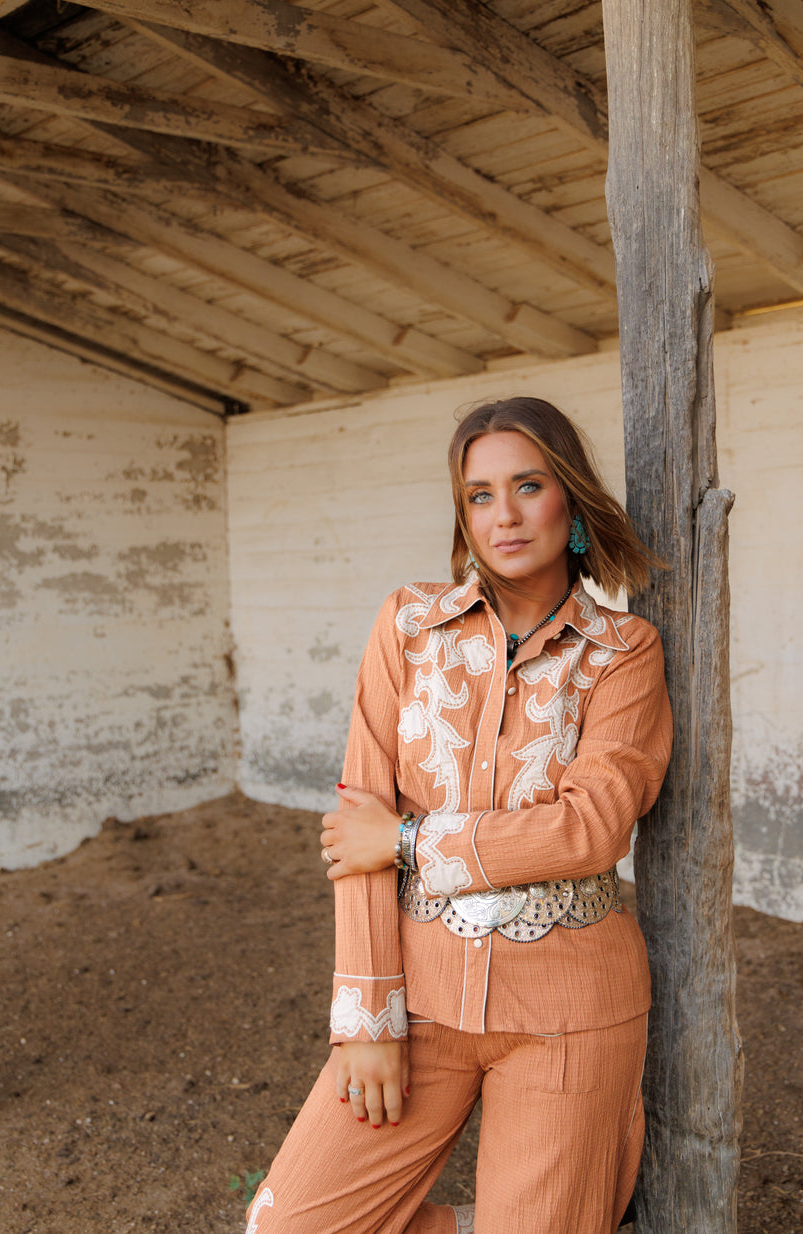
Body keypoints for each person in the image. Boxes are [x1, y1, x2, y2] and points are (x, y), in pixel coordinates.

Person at [245, 397, 672, 1234]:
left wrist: (405, 840)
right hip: (421, 1002)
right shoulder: (408, 626)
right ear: (463, 514)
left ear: (571, 501)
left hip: (571, 1011)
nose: (503, 514)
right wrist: (366, 1020)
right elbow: (355, 833)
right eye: (480, 495)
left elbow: (591, 828)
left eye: (528, 486)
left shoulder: (623, 652)